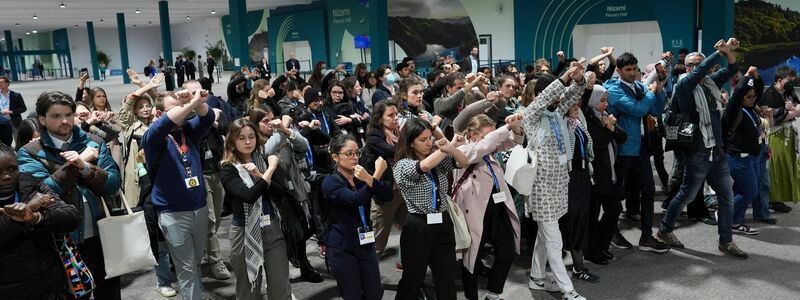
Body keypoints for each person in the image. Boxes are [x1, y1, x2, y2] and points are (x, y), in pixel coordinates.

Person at [18, 91, 122, 300]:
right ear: (42, 119)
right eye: (55, 116)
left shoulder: (93, 141)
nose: (64, 121)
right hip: (62, 240)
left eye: (68, 114)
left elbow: (112, 183)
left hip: (102, 233)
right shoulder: (30, 151)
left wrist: (85, 167)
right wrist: (78, 163)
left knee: (109, 292)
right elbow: (40, 194)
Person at [658, 38, 749, 259]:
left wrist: (728, 53)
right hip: (696, 153)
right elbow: (699, 72)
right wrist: (717, 52)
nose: (698, 68)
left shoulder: (709, 83)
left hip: (716, 152)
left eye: (699, 64)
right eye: (693, 64)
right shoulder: (683, 86)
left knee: (727, 197)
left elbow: (733, 69)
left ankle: (725, 241)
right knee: (686, 196)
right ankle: (664, 230)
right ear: (686, 67)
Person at [141, 88, 216, 299]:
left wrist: (198, 101)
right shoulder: (152, 137)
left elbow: (208, 116)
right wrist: (189, 105)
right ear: (158, 114)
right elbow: (166, 124)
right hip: (173, 213)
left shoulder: (189, 131)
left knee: (195, 263)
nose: (182, 114)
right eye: (176, 110)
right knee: (187, 267)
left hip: (199, 208)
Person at [522, 64, 588, 300]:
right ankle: (567, 290)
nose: (559, 98)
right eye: (554, 94)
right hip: (541, 189)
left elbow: (574, 93)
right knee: (554, 241)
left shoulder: (556, 113)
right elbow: (545, 98)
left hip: (559, 185)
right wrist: (564, 77)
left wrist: (578, 80)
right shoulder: (531, 116)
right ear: (541, 95)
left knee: (544, 237)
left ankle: (537, 278)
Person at [393, 118, 468, 300]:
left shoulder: (437, 158)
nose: (429, 143)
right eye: (423, 140)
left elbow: (463, 161)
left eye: (429, 138)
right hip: (418, 226)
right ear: (411, 142)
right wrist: (448, 146)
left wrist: (452, 148)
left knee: (446, 278)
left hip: (442, 221)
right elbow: (424, 166)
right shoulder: (402, 165)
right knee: (413, 279)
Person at [603, 52, 669, 253]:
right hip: (622, 149)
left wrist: (659, 88)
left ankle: (646, 236)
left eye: (635, 69)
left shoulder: (640, 86)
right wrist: (651, 93)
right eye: (628, 70)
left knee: (648, 191)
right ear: (619, 70)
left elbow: (656, 110)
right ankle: (610, 231)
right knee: (617, 195)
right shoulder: (612, 89)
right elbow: (638, 109)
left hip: (641, 147)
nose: (633, 73)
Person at [250, 106, 324, 283]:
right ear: (255, 124)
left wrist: (285, 130)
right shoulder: (255, 141)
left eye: (271, 119)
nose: (270, 123)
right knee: (285, 234)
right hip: (275, 196)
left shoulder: (280, 135)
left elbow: (303, 145)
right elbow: (267, 151)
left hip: (295, 190)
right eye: (265, 121)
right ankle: (283, 271)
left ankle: (303, 264)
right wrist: (282, 130)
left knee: (302, 229)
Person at [220, 118, 292, 300]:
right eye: (241, 137)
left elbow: (280, 193)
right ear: (232, 141)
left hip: (272, 231)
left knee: (280, 287)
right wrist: (271, 169)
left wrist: (260, 173)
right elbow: (249, 195)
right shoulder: (228, 168)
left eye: (251, 137)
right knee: (248, 291)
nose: (247, 142)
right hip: (244, 234)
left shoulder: (263, 160)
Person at [454, 114, 523, 300]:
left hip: (497, 206)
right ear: (473, 134)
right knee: (472, 260)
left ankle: (493, 294)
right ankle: (471, 297)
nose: (492, 139)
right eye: (487, 135)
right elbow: (484, 147)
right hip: (475, 210)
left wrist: (515, 127)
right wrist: (505, 128)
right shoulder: (463, 149)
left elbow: (511, 142)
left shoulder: (487, 146)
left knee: (507, 252)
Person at [0, 143, 81, 300]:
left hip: (50, 287)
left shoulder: (31, 185)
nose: (6, 176)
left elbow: (71, 217)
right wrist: (23, 215)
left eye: (12, 169)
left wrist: (37, 218)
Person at [323, 134, 392, 299]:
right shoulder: (330, 182)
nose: (354, 158)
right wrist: (375, 175)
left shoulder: (361, 176)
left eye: (357, 153)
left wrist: (369, 178)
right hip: (342, 247)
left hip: (365, 243)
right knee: (352, 294)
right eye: (349, 153)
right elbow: (355, 200)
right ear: (335, 157)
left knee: (375, 292)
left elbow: (387, 195)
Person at [582, 84, 627, 265]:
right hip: (596, 177)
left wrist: (610, 126)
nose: (605, 104)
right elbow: (598, 143)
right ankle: (592, 251)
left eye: (606, 100)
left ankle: (602, 245)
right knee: (592, 217)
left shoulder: (605, 117)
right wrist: (607, 127)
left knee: (614, 210)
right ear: (592, 101)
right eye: (602, 100)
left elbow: (623, 137)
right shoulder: (587, 119)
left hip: (611, 174)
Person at [724, 67, 765, 235]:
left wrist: (756, 78)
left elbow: (758, 90)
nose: (753, 99)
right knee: (750, 191)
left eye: (754, 97)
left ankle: (735, 222)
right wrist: (746, 76)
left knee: (743, 190)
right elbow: (739, 90)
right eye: (749, 97)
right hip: (738, 158)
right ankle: (727, 216)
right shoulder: (734, 110)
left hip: (752, 156)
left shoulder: (749, 107)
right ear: (740, 98)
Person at [758, 66, 799, 213]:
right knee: (775, 168)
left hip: (787, 132)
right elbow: (772, 119)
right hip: (775, 134)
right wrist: (793, 111)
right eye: (789, 80)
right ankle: (774, 199)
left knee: (786, 165)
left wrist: (793, 109)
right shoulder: (769, 95)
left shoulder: (789, 92)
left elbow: (797, 107)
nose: (791, 83)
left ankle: (781, 196)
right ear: (779, 79)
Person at [0, 76, 27, 146]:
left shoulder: (16, 95)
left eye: (1, 82)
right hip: (2, 123)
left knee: (19, 141)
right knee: (4, 143)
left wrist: (11, 112)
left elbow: (23, 108)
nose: (0, 84)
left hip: (14, 121)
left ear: (7, 84)